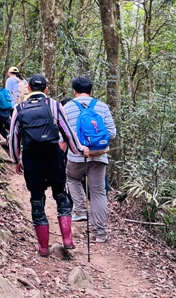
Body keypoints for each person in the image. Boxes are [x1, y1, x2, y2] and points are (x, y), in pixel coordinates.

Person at [9, 74, 89, 257]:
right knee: (61, 194)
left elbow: (13, 137)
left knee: (37, 199)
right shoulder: (54, 105)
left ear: (28, 88)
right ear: (46, 89)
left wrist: (16, 160)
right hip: (53, 156)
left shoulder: (19, 108)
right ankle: (67, 239)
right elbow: (67, 131)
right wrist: (78, 149)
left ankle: (43, 248)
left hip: (31, 159)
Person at [63, 76, 117, 243]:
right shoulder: (102, 107)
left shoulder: (67, 107)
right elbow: (112, 133)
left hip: (76, 156)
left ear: (74, 90)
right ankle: (101, 233)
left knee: (71, 178)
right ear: (91, 91)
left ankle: (79, 210)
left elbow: (62, 134)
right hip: (99, 156)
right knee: (98, 193)